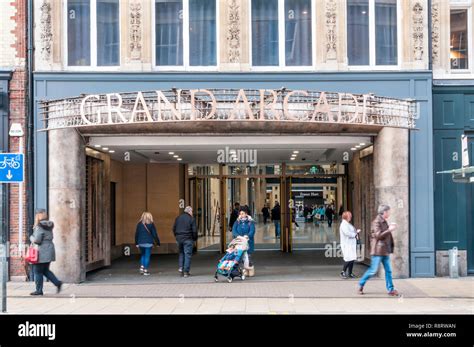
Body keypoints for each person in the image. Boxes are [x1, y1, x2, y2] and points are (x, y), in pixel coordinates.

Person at [358, 205, 400, 296]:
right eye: (388, 212)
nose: (389, 213)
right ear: (384, 212)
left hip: (385, 250)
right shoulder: (376, 222)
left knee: (388, 271)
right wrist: (390, 229)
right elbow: (378, 236)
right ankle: (361, 283)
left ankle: (391, 289)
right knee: (373, 270)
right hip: (378, 250)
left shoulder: (384, 221)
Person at [29, 209, 63, 296]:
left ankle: (39, 290)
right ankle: (57, 283)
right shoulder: (49, 225)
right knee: (45, 270)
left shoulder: (39, 226)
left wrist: (31, 237)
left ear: (38, 216)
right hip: (49, 249)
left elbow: (37, 240)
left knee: (37, 271)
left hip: (42, 251)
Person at [173, 206, 197, 278]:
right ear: (189, 211)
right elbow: (194, 231)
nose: (192, 213)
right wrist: (194, 238)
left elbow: (174, 228)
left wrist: (177, 236)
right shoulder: (191, 219)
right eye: (192, 211)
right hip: (188, 239)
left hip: (179, 239)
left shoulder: (178, 218)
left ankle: (181, 268)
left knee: (181, 253)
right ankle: (186, 271)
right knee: (187, 254)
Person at [135, 212, 160, 276]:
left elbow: (136, 234)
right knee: (147, 256)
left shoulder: (139, 224)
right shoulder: (151, 224)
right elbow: (154, 234)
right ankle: (145, 270)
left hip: (140, 242)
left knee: (142, 255)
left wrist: (136, 243)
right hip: (148, 242)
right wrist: (158, 242)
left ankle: (142, 267)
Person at [339, 211, 360, 279]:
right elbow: (347, 233)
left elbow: (351, 231)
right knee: (348, 258)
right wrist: (355, 234)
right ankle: (343, 272)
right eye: (349, 215)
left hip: (351, 244)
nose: (351, 216)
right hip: (347, 244)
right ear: (346, 216)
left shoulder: (347, 224)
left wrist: (356, 232)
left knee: (352, 258)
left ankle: (350, 273)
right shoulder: (343, 224)